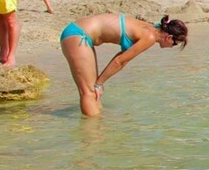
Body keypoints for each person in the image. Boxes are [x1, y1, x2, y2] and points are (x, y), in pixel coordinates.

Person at [59, 14, 188, 117]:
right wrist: (99, 83)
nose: (172, 47)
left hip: (81, 35)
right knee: (89, 92)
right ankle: (91, 138)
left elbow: (121, 57)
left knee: (94, 91)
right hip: (77, 35)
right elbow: (120, 61)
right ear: (169, 37)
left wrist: (100, 82)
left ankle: (98, 128)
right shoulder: (150, 37)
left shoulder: (151, 29)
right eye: (175, 44)